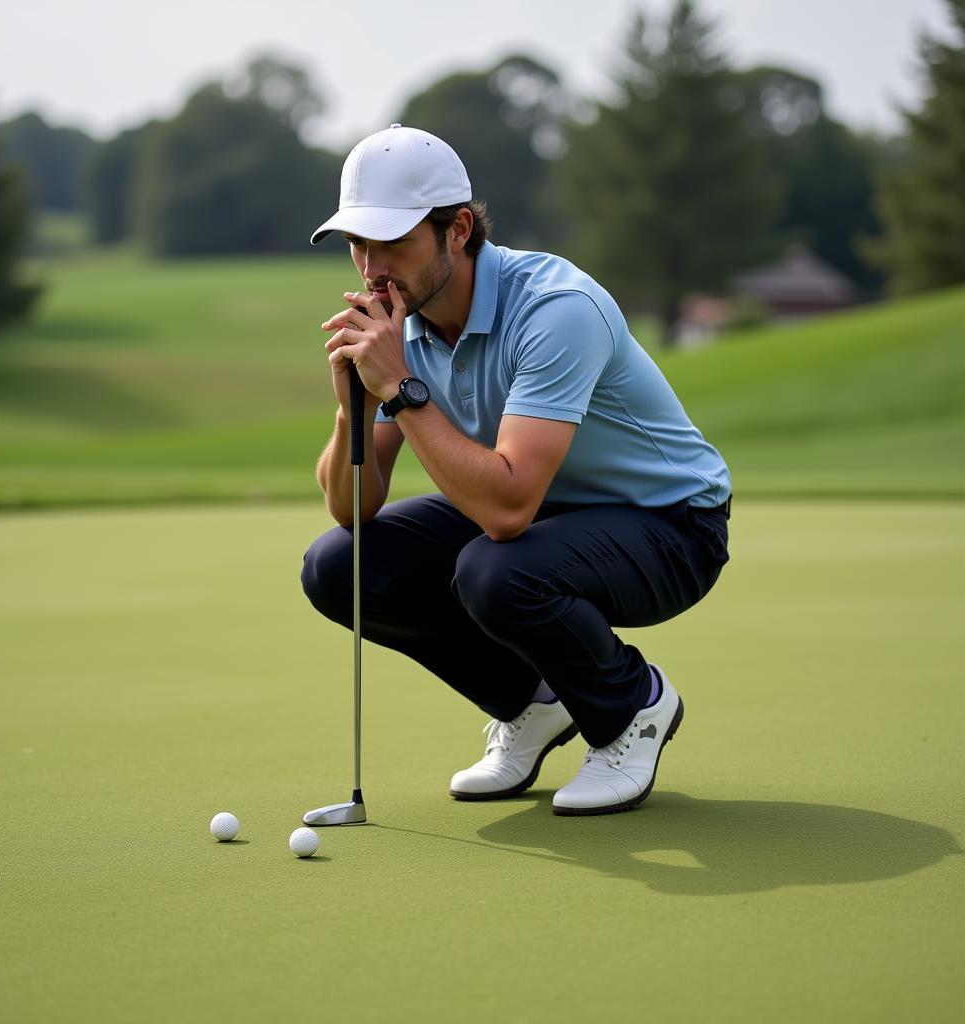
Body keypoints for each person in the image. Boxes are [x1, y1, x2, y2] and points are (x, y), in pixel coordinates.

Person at [301, 124, 731, 816]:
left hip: (671, 527)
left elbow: (505, 511)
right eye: (358, 243)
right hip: (544, 518)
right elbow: (353, 511)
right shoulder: (400, 326)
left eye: (393, 242)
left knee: (494, 568)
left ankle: (631, 708)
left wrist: (403, 390)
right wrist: (355, 408)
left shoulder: (556, 309)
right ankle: (530, 705)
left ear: (458, 229)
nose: (372, 267)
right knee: (337, 566)